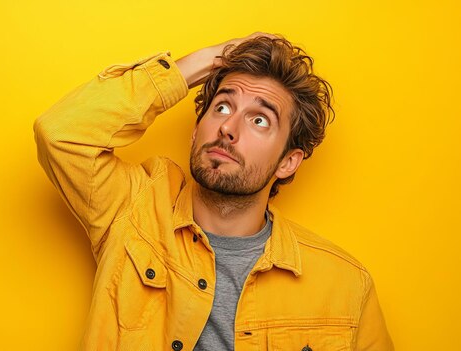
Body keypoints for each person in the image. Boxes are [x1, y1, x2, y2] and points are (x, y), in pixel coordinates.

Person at [33, 32, 394, 351]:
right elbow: (61, 133)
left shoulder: (345, 286)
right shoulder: (132, 210)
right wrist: (208, 60)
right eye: (221, 107)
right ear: (195, 132)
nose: (228, 128)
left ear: (288, 161)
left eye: (259, 120)